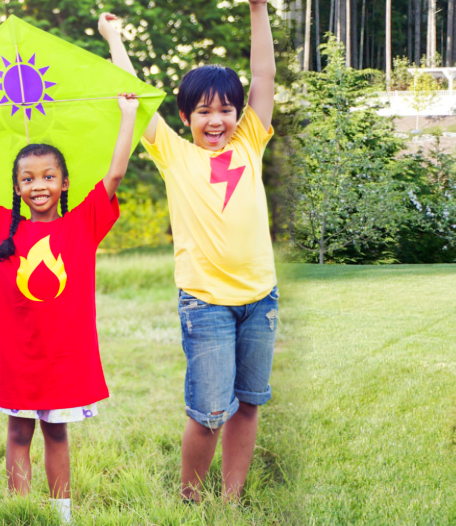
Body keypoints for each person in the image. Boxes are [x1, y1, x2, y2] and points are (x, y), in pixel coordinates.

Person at [103, 2, 280, 503]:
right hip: (205, 304)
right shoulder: (173, 153)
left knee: (248, 403)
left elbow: (263, 74)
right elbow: (136, 94)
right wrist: (115, 40)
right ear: (185, 117)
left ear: (239, 113)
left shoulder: (250, 142)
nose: (217, 119)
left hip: (261, 301)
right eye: (204, 111)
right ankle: (191, 497)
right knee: (209, 412)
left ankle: (230, 498)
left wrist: (258, 8)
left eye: (226, 108)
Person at [0, 91, 141, 523]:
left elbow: (117, 172)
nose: (38, 186)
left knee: (56, 432)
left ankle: (60, 514)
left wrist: (129, 114)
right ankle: (21, 511)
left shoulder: (82, 224)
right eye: (27, 179)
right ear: (17, 188)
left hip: (64, 358)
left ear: (64, 183)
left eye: (48, 177)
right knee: (16, 431)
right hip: (19, 357)